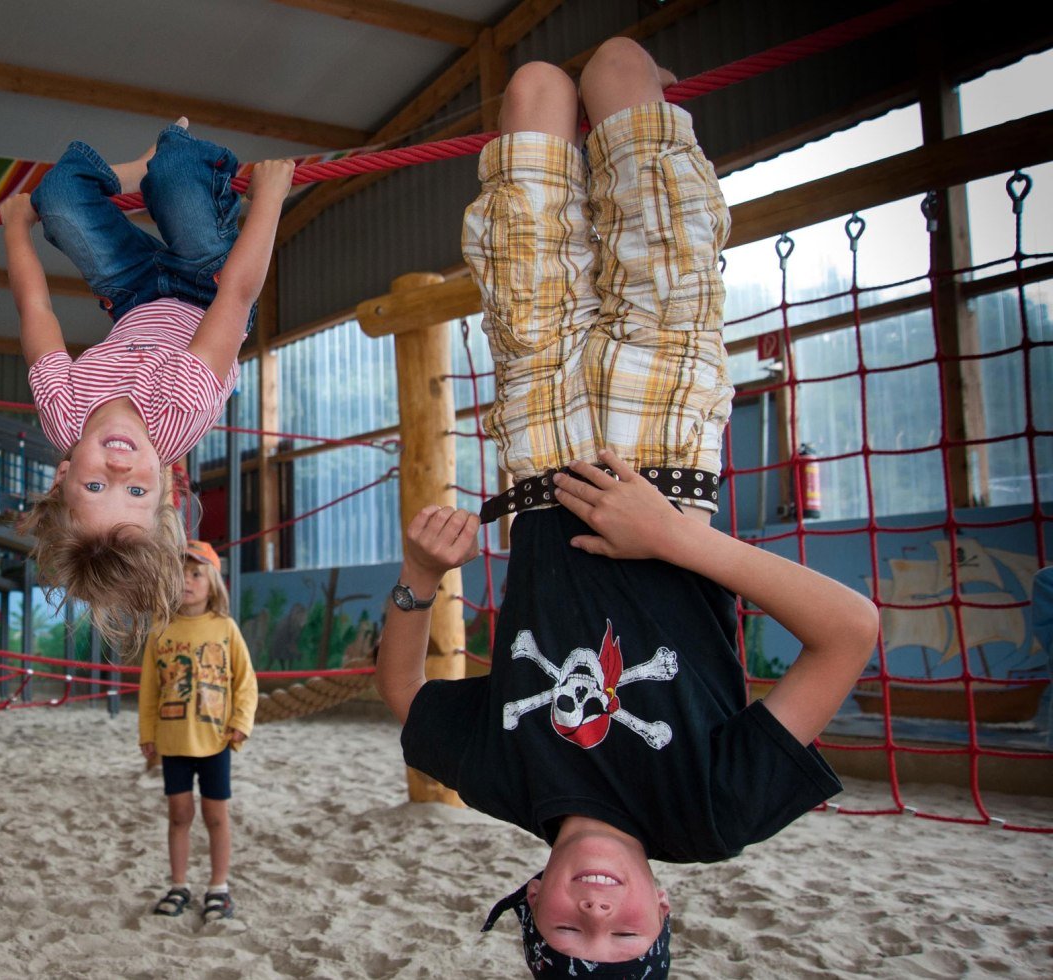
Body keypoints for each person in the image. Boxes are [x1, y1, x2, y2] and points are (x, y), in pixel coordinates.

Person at [374, 39, 881, 977]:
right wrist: (675, 540)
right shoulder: (715, 813)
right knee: (616, 73)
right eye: (625, 935)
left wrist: (417, 581)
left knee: (532, 91)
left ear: (530, 900)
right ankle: (647, 108)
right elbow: (850, 629)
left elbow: (405, 698)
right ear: (663, 906)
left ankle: (611, 113)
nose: (596, 911)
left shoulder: (507, 782)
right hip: (668, 448)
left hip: (537, 440)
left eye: (568, 932)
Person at [0, 119, 294, 649]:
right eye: (135, 491)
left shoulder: (63, 414)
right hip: (210, 286)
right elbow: (237, 297)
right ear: (163, 485)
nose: (118, 469)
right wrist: (271, 199)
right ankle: (163, 161)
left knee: (57, 200)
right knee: (178, 177)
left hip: (132, 292)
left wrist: (14, 229)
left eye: (95, 487)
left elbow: (35, 309)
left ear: (62, 477)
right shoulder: (178, 414)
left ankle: (135, 171)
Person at [137, 540, 257, 921]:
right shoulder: (161, 631)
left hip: (215, 741)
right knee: (179, 814)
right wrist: (147, 734)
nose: (186, 581)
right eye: (179, 574)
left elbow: (246, 681)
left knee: (216, 816)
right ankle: (178, 885)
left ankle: (219, 888)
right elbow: (149, 690)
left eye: (195, 574)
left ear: (213, 583)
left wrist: (241, 721)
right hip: (172, 742)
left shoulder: (225, 627)